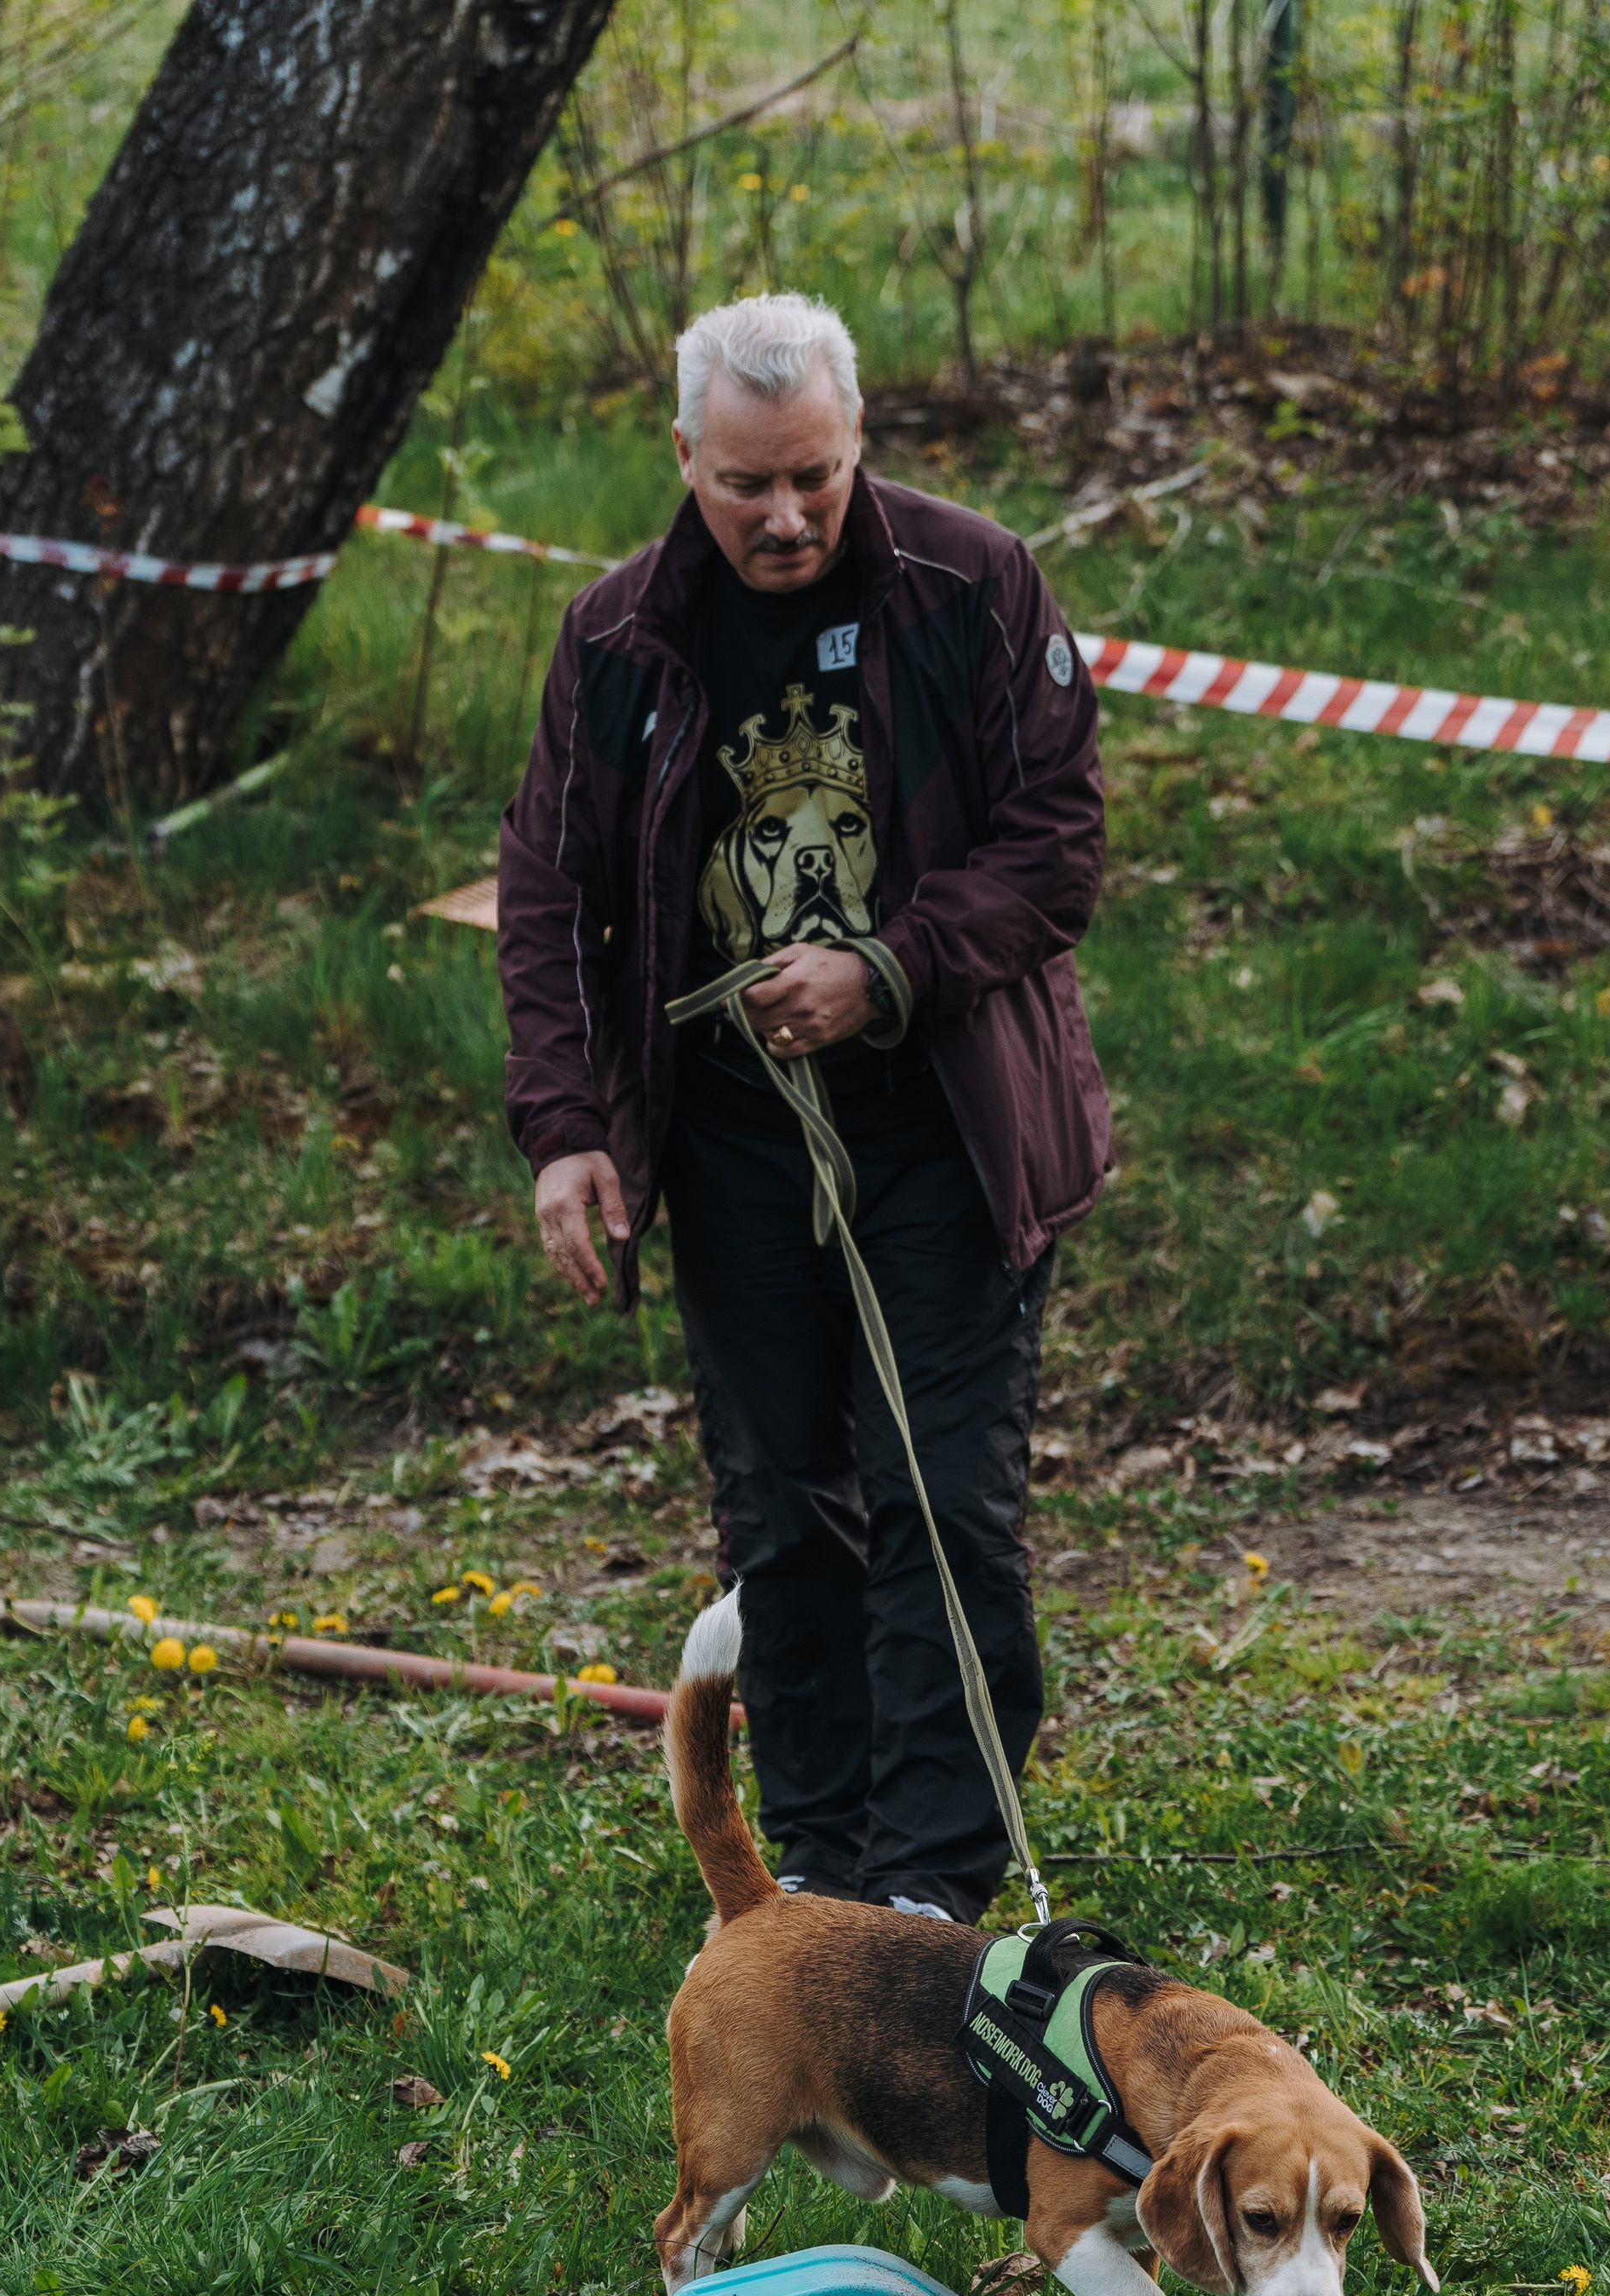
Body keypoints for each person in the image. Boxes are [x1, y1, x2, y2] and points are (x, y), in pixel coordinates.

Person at [497, 292, 1109, 1925]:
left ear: (860, 446)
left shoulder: (972, 587)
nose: (785, 516)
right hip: (734, 1135)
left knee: (942, 1498)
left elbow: (1059, 843)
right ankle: (819, 1870)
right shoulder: (619, 637)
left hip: (948, 1118)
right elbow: (550, 894)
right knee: (782, 1501)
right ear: (684, 456)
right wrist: (568, 1126)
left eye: (817, 479)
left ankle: (929, 1890)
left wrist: (890, 967)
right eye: (748, 483)